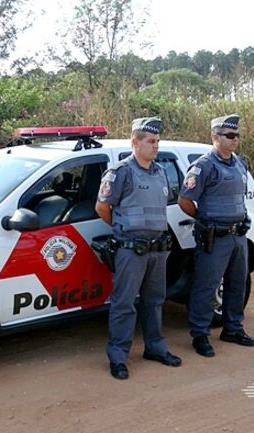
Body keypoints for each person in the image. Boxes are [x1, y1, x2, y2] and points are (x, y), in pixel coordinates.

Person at [95, 116, 181, 380]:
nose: (156, 146)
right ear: (135, 142)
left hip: (158, 250)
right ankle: (119, 357)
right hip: (131, 250)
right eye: (151, 141)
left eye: (157, 141)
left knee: (155, 302)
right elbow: (102, 208)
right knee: (124, 304)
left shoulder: (160, 172)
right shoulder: (121, 172)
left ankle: (155, 348)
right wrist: (124, 231)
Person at [178, 114, 254, 358]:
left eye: (237, 135)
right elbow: (185, 200)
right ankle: (200, 334)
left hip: (237, 235)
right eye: (230, 136)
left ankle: (233, 328)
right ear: (215, 137)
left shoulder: (239, 163)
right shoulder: (204, 166)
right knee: (206, 287)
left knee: (237, 283)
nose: (235, 140)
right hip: (215, 236)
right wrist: (205, 220)